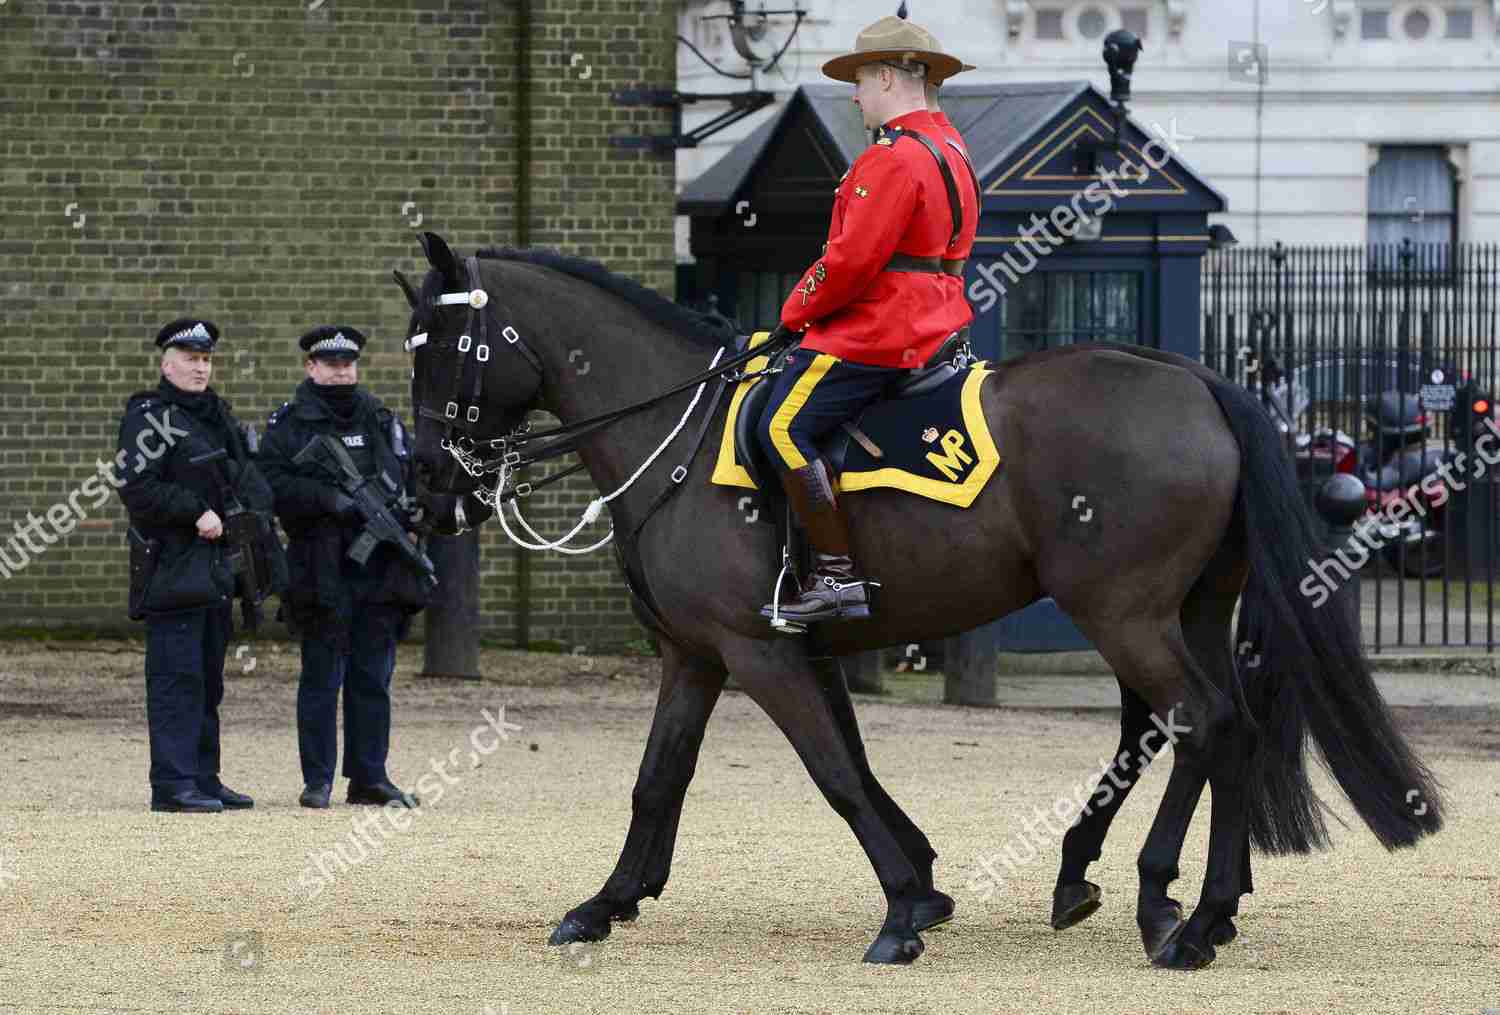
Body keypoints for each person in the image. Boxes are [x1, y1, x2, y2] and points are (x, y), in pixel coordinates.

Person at [754, 14, 977, 625]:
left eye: (858, 81)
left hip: (881, 329)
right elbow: (955, 256)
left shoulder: (893, 158)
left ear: (885, 77)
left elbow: (849, 263)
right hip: (937, 320)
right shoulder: (952, 149)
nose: (854, 96)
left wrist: (794, 314)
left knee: (781, 428)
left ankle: (836, 576)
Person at [258, 325, 428, 810]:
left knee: (372, 679)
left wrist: (411, 517)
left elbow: (410, 474)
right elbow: (270, 485)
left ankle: (369, 777)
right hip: (320, 569)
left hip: (380, 571)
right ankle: (318, 780)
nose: (341, 372)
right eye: (331, 364)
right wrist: (328, 500)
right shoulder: (289, 425)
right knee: (321, 679)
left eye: (347, 364)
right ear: (311, 367)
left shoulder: (381, 419)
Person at [117, 318, 268, 813]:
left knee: (207, 679)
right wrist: (193, 511)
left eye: (206, 359)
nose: (200, 367)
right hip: (172, 566)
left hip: (216, 567)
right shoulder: (149, 417)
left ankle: (204, 777)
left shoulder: (216, 415)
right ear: (167, 364)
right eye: (190, 358)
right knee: (175, 679)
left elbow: (243, 477)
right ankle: (173, 784)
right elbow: (137, 487)